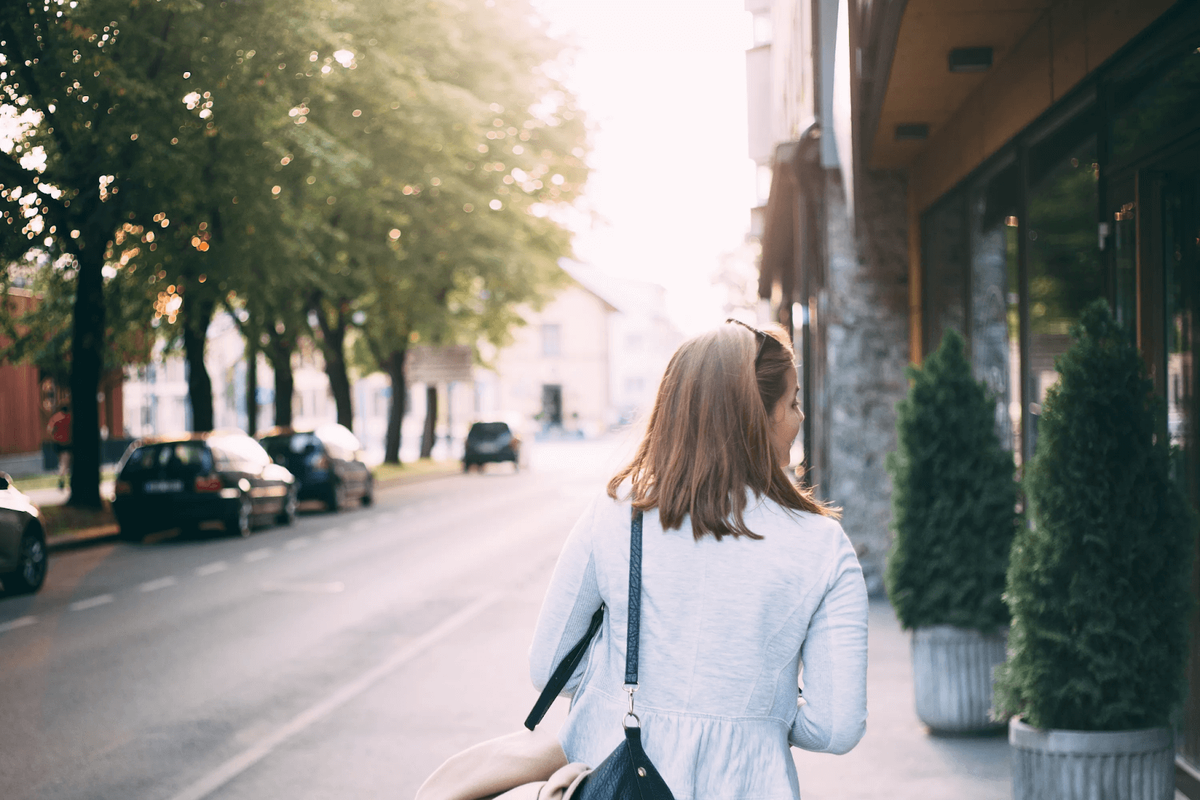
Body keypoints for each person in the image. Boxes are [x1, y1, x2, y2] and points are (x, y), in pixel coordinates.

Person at [528, 320, 869, 799]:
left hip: (616, 771)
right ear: (755, 417)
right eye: (792, 402)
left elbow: (549, 668)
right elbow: (836, 727)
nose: (800, 417)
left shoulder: (617, 514)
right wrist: (754, 710)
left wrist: (627, 695)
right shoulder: (822, 545)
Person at [47, 404, 71, 490]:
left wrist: (54, 437)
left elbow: (49, 429)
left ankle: (62, 479)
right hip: (68, 443)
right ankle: (64, 480)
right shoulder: (70, 417)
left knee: (62, 463)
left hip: (59, 443)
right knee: (66, 463)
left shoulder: (57, 417)